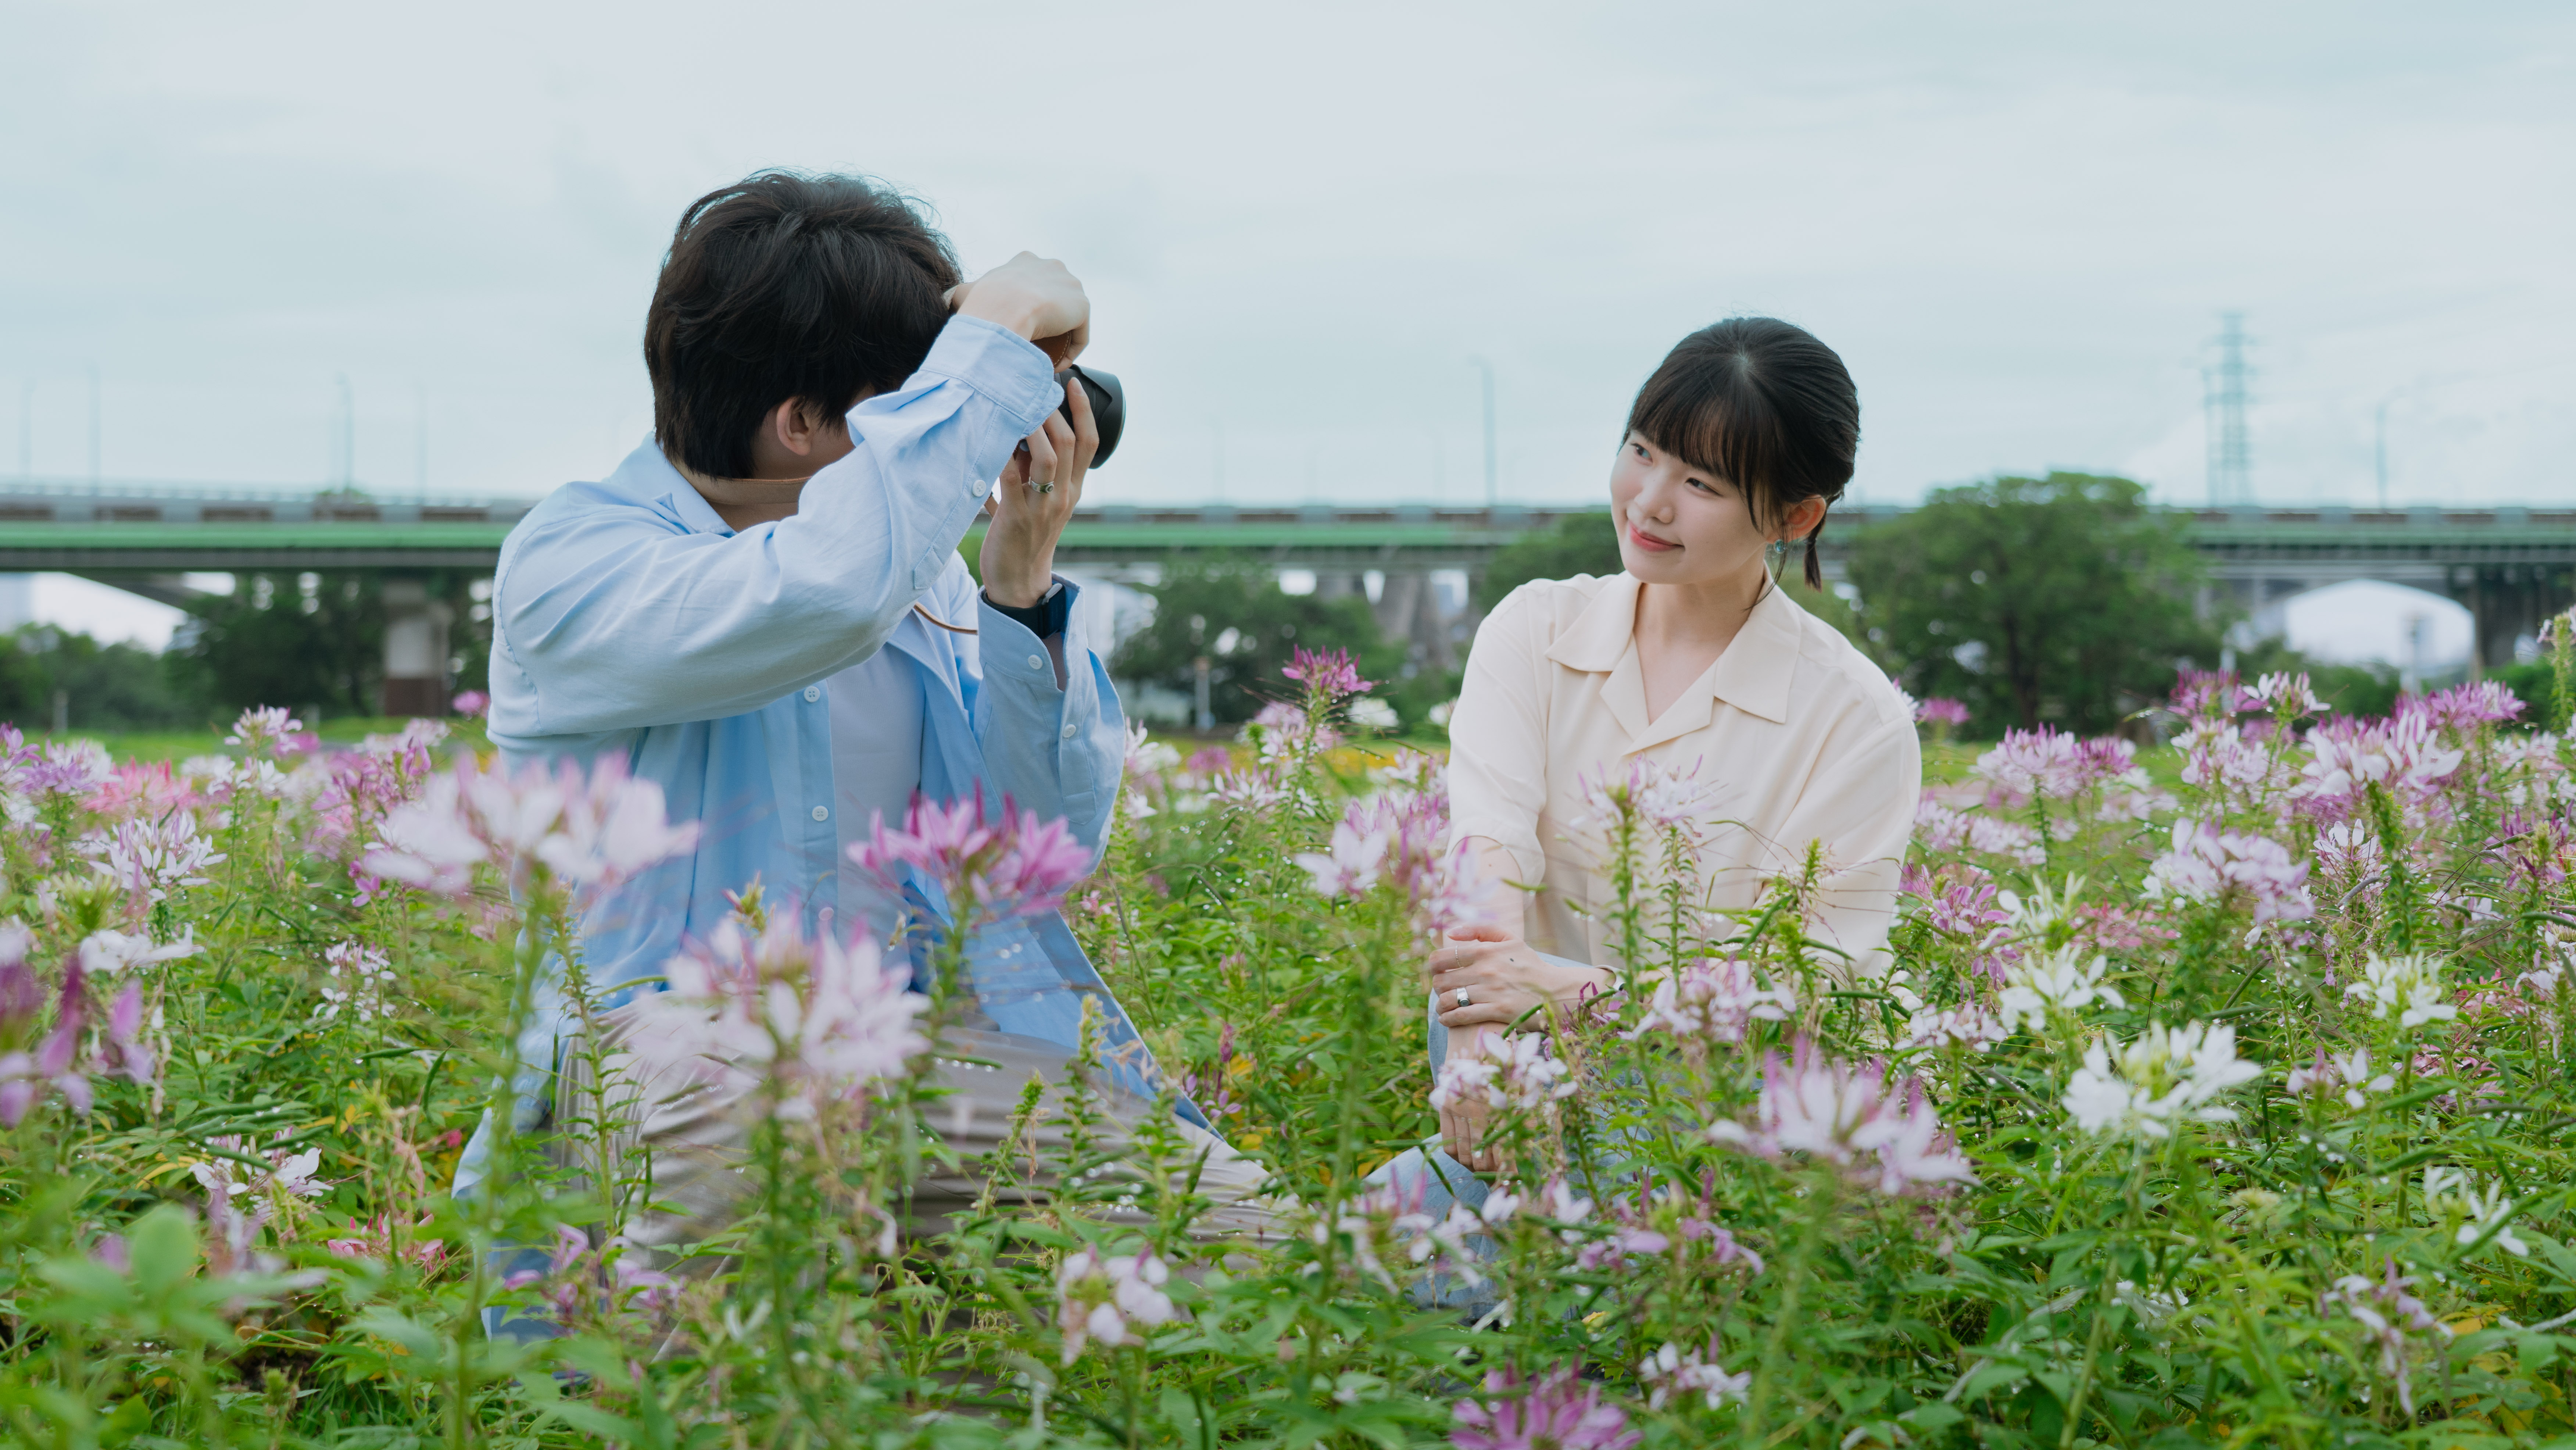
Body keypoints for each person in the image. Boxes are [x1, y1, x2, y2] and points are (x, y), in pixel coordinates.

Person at [458, 172, 1270, 1301]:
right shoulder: (578, 562)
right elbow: (822, 592)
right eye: (918, 405)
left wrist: (1020, 592)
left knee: (1267, 1253)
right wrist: (983, 352)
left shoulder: (924, 579)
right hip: (657, 1075)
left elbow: (1039, 852)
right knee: (731, 1066)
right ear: (803, 424)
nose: (948, 437)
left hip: (906, 1067)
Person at [1381, 316, 1921, 1217]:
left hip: (1730, 1119)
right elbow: (1489, 852)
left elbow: (1804, 998)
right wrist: (1480, 1045)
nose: (1649, 501)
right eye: (1643, 451)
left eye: (1701, 482)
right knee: (1437, 1221)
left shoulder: (1855, 720)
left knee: (1398, 1247)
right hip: (1516, 1061)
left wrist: (1572, 991)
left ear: (1795, 516)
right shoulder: (1537, 627)